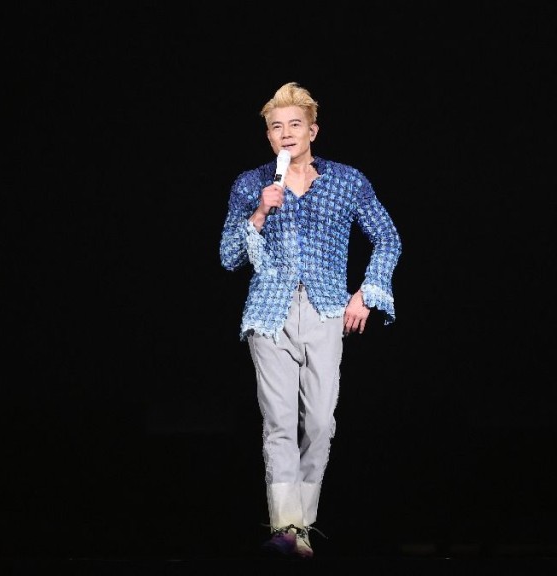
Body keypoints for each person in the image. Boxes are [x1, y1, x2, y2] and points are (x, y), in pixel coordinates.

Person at [219, 81, 402, 559]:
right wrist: (261, 211)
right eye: (276, 127)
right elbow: (228, 256)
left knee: (319, 422)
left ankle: (300, 524)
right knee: (279, 423)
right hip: (268, 313)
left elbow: (388, 237)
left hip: (326, 310)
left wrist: (366, 293)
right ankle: (289, 530)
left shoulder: (347, 181)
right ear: (267, 135)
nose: (285, 133)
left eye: (294, 125)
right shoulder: (251, 184)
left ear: (312, 130)